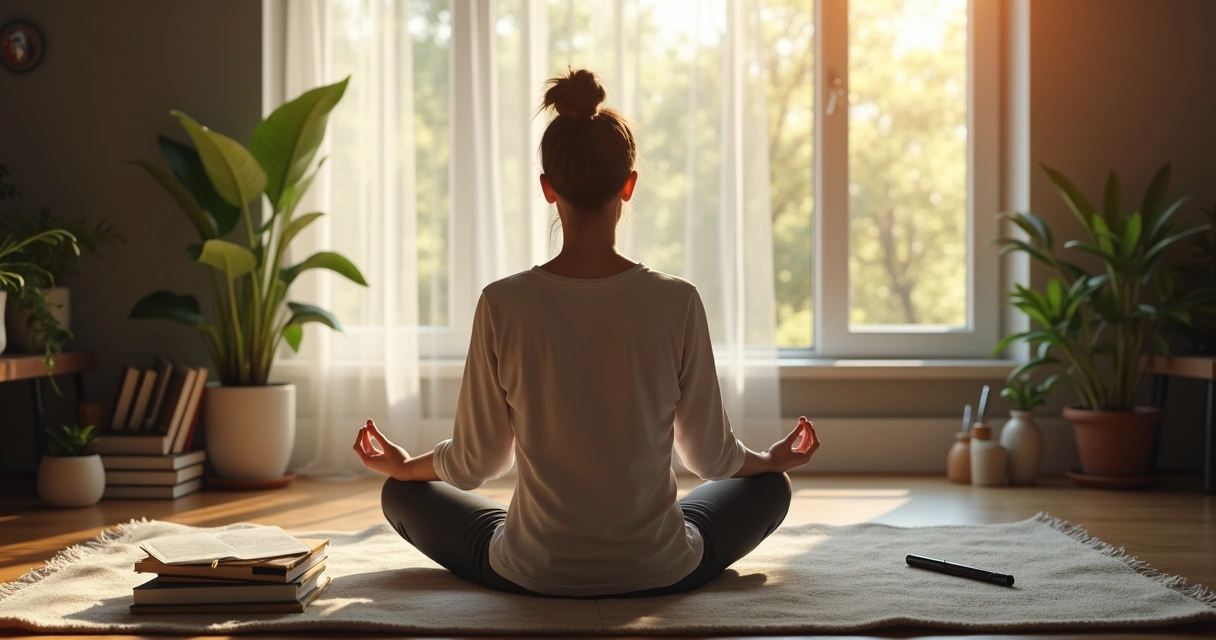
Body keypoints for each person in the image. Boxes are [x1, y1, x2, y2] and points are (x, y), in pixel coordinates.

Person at [353, 68, 820, 598]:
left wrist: (405, 465)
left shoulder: (503, 302)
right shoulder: (677, 300)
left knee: (401, 495)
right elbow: (711, 458)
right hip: (662, 568)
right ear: (629, 184)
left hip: (533, 572)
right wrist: (772, 460)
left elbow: (476, 463)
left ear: (548, 189)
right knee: (769, 490)